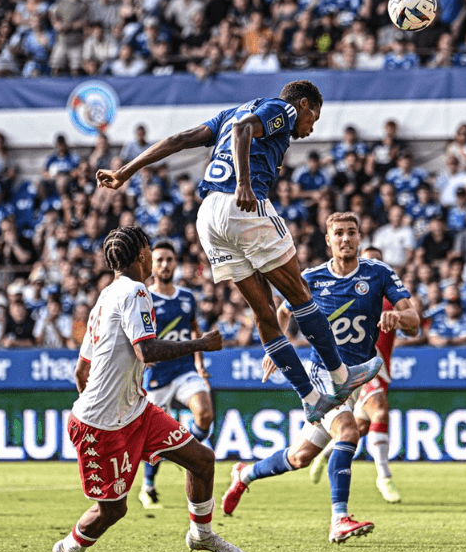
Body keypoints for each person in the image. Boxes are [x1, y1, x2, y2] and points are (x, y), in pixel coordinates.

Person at [97, 80, 382, 423]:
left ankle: (309, 397)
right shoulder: (284, 109)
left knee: (263, 312)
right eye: (314, 119)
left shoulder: (232, 111)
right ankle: (340, 376)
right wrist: (245, 182)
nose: (309, 128)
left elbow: (179, 140)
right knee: (299, 294)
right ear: (305, 105)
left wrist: (125, 171)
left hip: (208, 217)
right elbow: (245, 130)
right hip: (241, 205)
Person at [53, 226, 245, 552]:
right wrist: (200, 344)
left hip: (136, 410)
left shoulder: (104, 297)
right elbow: (146, 351)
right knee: (113, 510)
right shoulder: (136, 291)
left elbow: (81, 372)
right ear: (143, 255)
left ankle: (201, 534)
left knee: (201, 460)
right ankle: (70, 548)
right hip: (101, 424)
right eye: (149, 249)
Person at [219, 213, 419, 542]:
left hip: (362, 372)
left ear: (359, 237)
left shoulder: (379, 273)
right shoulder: (311, 278)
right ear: (328, 240)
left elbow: (415, 321)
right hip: (323, 375)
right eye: (338, 233)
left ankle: (244, 473)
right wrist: (275, 347)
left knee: (299, 457)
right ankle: (339, 518)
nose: (345, 239)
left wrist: (400, 316)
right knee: (349, 429)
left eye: (351, 233)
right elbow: (282, 312)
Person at [308, 245, 408, 503]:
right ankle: (384, 476)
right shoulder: (346, 294)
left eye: (378, 262)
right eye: (368, 261)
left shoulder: (390, 297)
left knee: (361, 426)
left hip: (380, 369)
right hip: (356, 368)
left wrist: (398, 316)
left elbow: (414, 322)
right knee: (380, 412)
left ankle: (325, 454)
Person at [137, 241, 215, 510]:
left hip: (184, 370)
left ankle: (188, 454)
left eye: (169, 259)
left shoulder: (186, 297)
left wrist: (199, 363)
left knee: (205, 414)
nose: (164, 265)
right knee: (154, 439)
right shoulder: (144, 298)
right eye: (159, 260)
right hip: (156, 375)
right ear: (152, 265)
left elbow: (194, 330)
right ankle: (148, 487)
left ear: (176, 263)